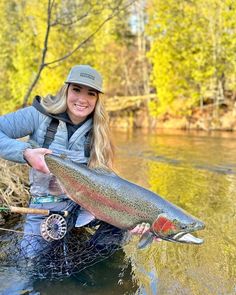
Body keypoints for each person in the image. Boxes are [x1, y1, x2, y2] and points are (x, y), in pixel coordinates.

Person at [0, 65, 150, 260]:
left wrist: (134, 221)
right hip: (43, 209)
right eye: (76, 89)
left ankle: (98, 268)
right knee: (32, 263)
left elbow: (107, 186)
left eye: (91, 93)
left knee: (116, 234)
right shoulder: (38, 115)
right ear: (66, 90)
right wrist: (25, 153)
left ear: (97, 99)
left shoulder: (100, 131)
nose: (82, 99)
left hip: (84, 208)